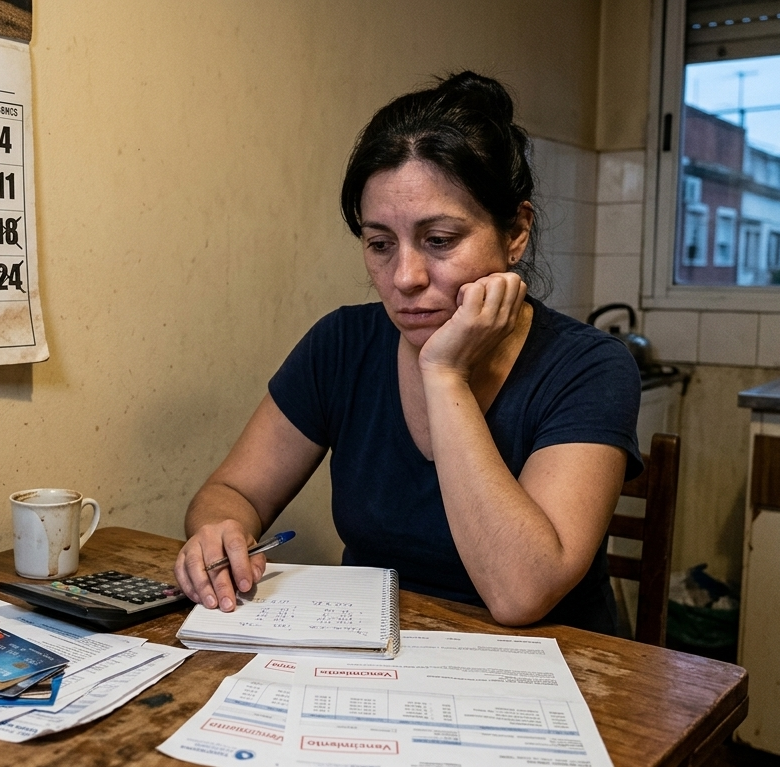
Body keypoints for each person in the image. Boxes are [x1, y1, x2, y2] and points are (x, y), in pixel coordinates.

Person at [174, 72, 642, 634]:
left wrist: (444, 373)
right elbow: (232, 492)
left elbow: (522, 592)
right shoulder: (342, 345)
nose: (404, 277)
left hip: (554, 669)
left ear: (516, 233)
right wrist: (219, 530)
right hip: (374, 657)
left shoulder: (589, 367)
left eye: (439, 240)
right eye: (379, 244)